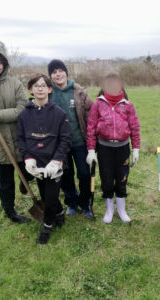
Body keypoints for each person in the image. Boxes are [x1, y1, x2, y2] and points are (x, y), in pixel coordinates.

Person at [17, 74, 71, 244]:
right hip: (36, 164)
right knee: (46, 195)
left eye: (43, 85)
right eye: (36, 85)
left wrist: (56, 161)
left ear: (49, 89)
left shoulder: (59, 114)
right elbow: (21, 139)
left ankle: (47, 226)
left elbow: (65, 140)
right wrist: (28, 159)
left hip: (54, 164)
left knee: (50, 197)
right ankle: (60, 213)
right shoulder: (24, 115)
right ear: (30, 90)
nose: (39, 88)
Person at [0, 45, 32, 224]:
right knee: (5, 183)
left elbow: (22, 109)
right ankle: (10, 212)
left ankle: (24, 183)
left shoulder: (15, 83)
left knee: (28, 173)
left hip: (20, 139)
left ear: (4, 64)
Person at [86, 72, 140, 223]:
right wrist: (91, 151)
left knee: (122, 178)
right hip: (104, 150)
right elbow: (90, 128)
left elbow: (135, 127)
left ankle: (121, 210)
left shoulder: (128, 105)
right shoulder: (97, 104)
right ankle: (109, 210)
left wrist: (135, 148)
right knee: (107, 179)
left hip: (123, 149)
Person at [47, 59, 94, 218]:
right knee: (66, 175)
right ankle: (72, 202)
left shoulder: (79, 91)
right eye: (54, 72)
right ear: (51, 76)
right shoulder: (48, 93)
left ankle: (85, 203)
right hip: (60, 145)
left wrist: (92, 142)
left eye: (60, 70)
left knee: (84, 174)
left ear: (66, 72)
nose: (58, 74)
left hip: (80, 142)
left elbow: (91, 117)